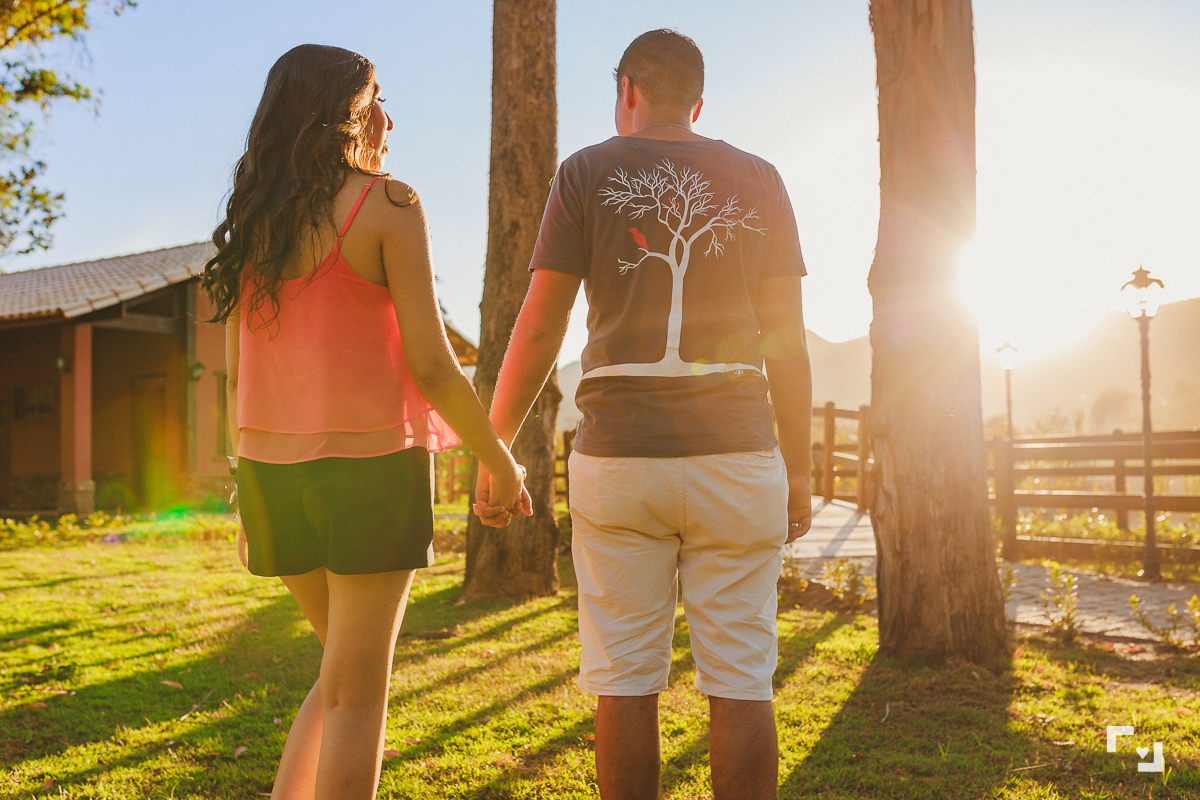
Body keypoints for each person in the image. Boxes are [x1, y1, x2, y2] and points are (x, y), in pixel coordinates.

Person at [476, 29, 813, 800]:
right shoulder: (760, 178)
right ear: (698, 102)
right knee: (742, 679)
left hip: (620, 460)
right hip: (737, 458)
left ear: (626, 89)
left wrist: (494, 447)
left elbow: (540, 327)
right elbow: (787, 342)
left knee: (624, 680)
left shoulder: (585, 172)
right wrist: (797, 470)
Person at [202, 44, 529, 800]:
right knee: (356, 695)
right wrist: (502, 461)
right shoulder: (389, 205)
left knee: (339, 675)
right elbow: (434, 366)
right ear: (344, 115)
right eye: (376, 99)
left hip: (272, 478)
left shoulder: (255, 226)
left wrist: (245, 493)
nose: (388, 118)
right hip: (371, 474)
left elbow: (238, 379)